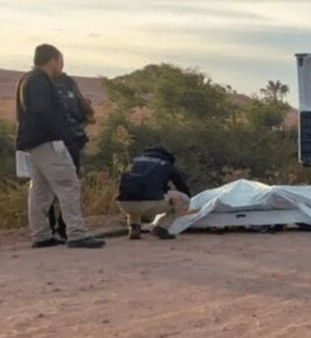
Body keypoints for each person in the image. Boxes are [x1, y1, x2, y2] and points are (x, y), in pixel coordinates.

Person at [15, 44, 105, 249]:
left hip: (34, 143)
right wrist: (63, 134)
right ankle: (76, 233)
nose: (61, 66)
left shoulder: (27, 79)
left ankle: (41, 234)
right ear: (52, 60)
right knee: (68, 184)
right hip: (48, 141)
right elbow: (43, 112)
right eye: (60, 61)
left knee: (40, 189)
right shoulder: (40, 81)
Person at [47, 72, 97, 240]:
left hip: (47, 142)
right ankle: (66, 228)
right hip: (70, 141)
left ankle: (48, 230)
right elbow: (88, 112)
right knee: (69, 185)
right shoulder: (68, 84)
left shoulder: (38, 84)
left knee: (46, 186)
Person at [116, 146, 192, 240]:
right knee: (184, 199)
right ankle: (161, 227)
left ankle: (134, 227)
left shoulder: (135, 162)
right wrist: (191, 200)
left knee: (133, 193)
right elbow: (181, 186)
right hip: (151, 203)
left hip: (124, 204)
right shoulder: (166, 164)